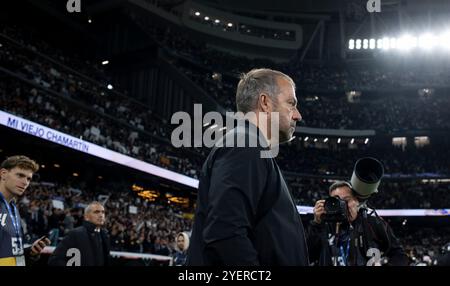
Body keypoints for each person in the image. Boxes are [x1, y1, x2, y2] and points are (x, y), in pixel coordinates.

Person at [187, 68, 309, 266]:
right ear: (265, 102)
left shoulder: (251, 145)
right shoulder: (245, 144)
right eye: (291, 104)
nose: (298, 115)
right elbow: (225, 234)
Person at [308, 181, 409, 266]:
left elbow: (400, 256)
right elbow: (309, 257)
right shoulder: (324, 225)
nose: (343, 206)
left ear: (357, 201)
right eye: (336, 201)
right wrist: (316, 223)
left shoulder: (372, 222)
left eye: (346, 200)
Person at [0, 155, 50, 266]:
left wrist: (31, 252)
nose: (25, 182)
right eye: (20, 175)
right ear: (3, 174)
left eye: (28, 179)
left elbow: (11, 255)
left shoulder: (14, 209)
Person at [48, 202, 110, 266]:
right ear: (86, 217)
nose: (101, 215)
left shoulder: (104, 235)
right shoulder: (75, 234)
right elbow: (55, 260)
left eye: (103, 212)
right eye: (96, 212)